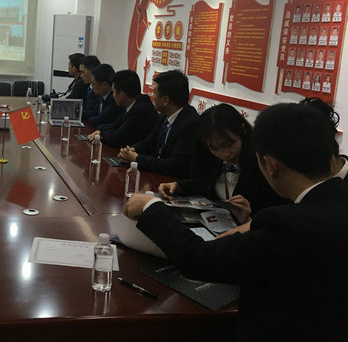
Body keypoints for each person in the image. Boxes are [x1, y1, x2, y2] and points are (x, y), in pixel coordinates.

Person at [125, 103, 348, 341]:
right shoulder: (337, 199)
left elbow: (198, 259)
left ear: (270, 165)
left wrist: (151, 207)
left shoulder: (286, 224)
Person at [157, 103, 289, 224]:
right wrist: (178, 186)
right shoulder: (209, 157)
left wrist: (250, 219)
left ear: (242, 131)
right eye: (214, 148)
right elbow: (203, 183)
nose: (224, 154)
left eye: (229, 144)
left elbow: (278, 214)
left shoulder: (262, 164)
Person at [118, 70, 198, 178]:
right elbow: (149, 143)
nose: (152, 96)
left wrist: (137, 158)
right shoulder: (164, 116)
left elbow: (175, 165)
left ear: (165, 100)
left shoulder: (190, 124)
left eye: (154, 93)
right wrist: (130, 151)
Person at [88, 69, 157, 148]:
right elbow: (116, 124)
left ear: (122, 94)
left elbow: (115, 139)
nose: (113, 95)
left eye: (113, 92)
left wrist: (102, 131)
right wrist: (101, 130)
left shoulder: (141, 110)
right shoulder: (133, 103)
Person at [79, 55, 101, 120]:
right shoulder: (89, 87)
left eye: (82, 72)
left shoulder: (100, 89)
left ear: (92, 71)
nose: (81, 76)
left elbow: (94, 112)